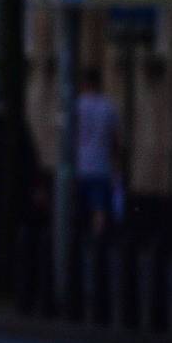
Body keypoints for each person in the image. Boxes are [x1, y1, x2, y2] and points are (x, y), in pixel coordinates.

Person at [73, 67, 125, 238]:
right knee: (99, 208)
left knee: (79, 208)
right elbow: (116, 140)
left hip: (79, 166)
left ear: (84, 84)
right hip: (101, 166)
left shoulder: (76, 106)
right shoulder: (107, 108)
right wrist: (116, 164)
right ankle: (97, 240)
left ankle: (78, 240)